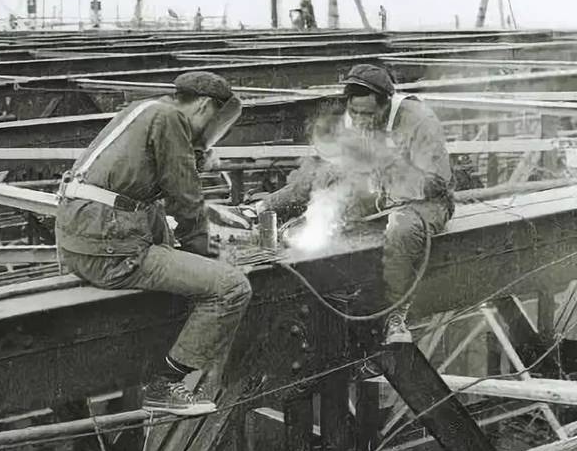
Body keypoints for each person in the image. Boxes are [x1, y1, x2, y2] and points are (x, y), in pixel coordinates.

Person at [56, 71, 252, 415]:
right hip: (112, 253)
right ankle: (166, 384)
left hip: (79, 244)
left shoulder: (143, 110)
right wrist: (206, 258)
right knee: (232, 288)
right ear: (205, 106)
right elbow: (185, 199)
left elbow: (139, 194)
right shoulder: (171, 119)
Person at [256, 64, 454, 343]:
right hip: (378, 196)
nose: (360, 120)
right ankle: (260, 212)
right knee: (327, 190)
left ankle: (397, 316)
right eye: (355, 112)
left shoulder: (419, 121)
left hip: (425, 203)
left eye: (368, 114)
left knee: (402, 228)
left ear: (385, 106)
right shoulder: (353, 119)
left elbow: (436, 184)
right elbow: (328, 172)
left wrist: (386, 165)